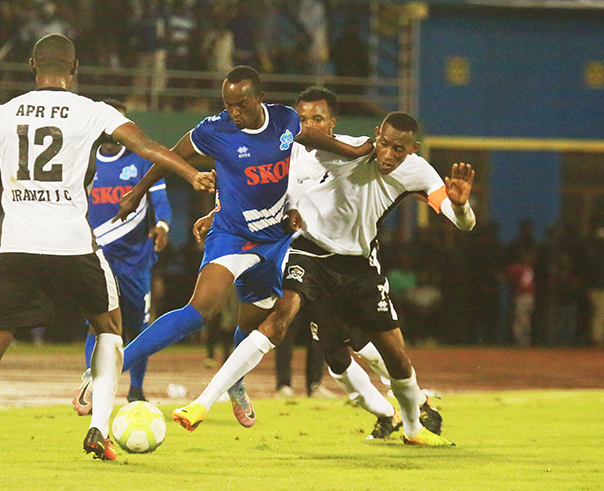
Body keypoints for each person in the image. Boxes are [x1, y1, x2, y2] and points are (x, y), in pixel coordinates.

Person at [0, 33, 213, 464]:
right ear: (75, 69)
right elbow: (146, 147)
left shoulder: (4, 112)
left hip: (16, 245)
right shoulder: (92, 110)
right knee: (110, 328)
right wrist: (190, 174)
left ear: (33, 66)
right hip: (72, 244)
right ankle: (98, 429)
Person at [72, 67, 374, 422]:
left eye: (241, 104)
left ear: (259, 99)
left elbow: (309, 136)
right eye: (228, 104)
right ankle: (105, 371)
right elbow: (173, 153)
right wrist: (138, 193)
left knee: (252, 323)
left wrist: (353, 150)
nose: (234, 112)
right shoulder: (215, 130)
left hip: (274, 241)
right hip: (232, 235)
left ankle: (236, 383)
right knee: (201, 309)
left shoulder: (285, 120)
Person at [174, 106, 476, 447]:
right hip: (311, 251)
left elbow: (462, 222)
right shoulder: (345, 150)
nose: (389, 155)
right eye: (385, 144)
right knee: (280, 321)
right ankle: (202, 403)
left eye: (399, 149)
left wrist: (461, 206)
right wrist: (231, 211)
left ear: (413, 149)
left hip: (358, 265)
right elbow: (288, 179)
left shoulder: (418, 171)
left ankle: (412, 427)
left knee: (395, 355)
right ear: (377, 134)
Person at [81, 99, 172, 403]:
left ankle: (136, 389)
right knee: (96, 325)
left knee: (138, 328)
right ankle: (92, 388)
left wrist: (162, 225)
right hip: (98, 259)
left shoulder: (142, 160)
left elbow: (161, 202)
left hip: (136, 260)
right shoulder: (85, 161)